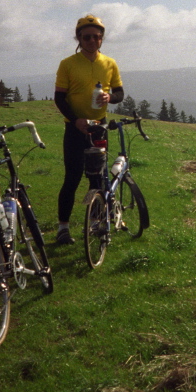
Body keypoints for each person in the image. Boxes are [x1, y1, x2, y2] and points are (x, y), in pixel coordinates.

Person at [53, 14, 124, 244]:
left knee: (97, 179)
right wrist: (75, 120)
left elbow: (120, 93)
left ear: (102, 39)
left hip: (99, 128)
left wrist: (110, 97)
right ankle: (63, 227)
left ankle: (95, 224)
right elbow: (59, 98)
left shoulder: (110, 63)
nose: (92, 41)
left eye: (96, 37)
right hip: (75, 129)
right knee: (72, 178)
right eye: (87, 37)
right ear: (79, 38)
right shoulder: (67, 64)